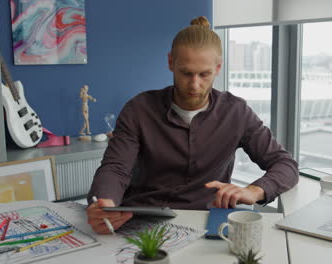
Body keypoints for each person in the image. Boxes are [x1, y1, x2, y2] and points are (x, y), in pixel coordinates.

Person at [86, 16, 299, 234]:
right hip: (142, 217)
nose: (194, 85)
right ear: (171, 63)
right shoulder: (138, 109)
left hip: (207, 222)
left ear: (218, 68)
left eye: (204, 74)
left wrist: (255, 191)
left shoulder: (237, 112)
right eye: (186, 73)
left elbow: (285, 165)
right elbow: (116, 168)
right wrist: (105, 203)